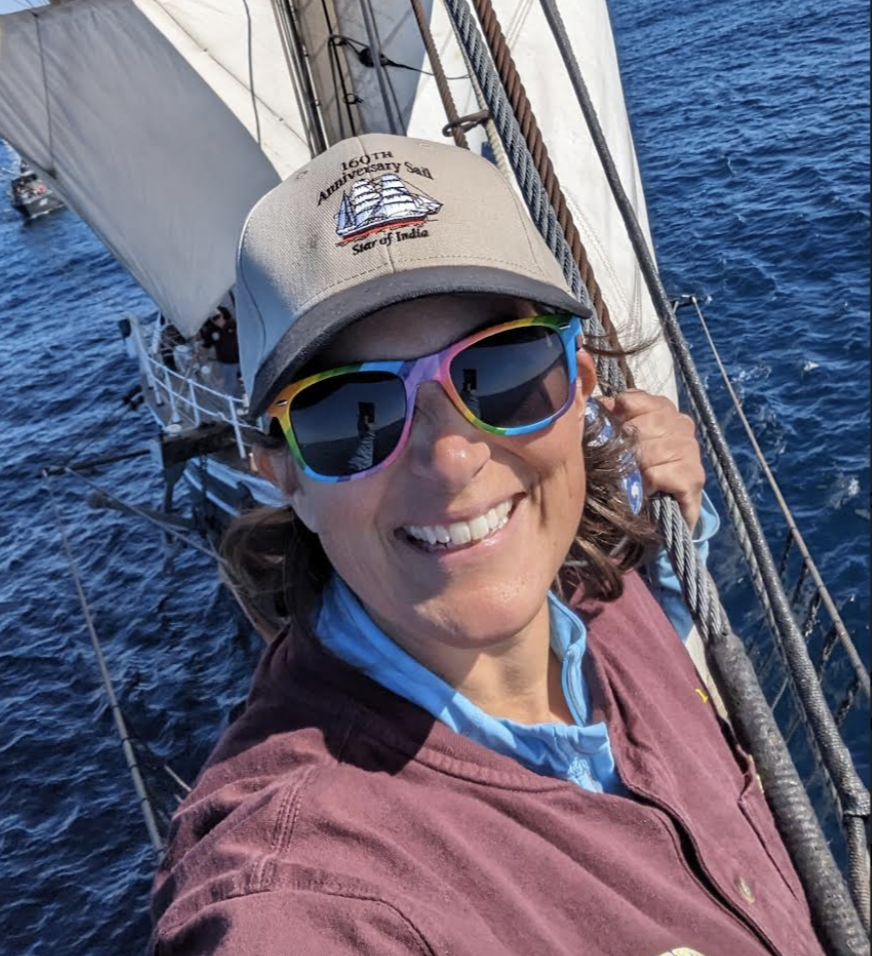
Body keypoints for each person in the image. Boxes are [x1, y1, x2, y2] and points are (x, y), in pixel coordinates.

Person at [151, 135, 822, 956]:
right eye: (348, 416)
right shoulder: (299, 887)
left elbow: (650, 589)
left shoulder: (599, 592)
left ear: (578, 393)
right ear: (282, 475)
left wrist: (680, 510)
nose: (452, 460)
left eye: (502, 375)